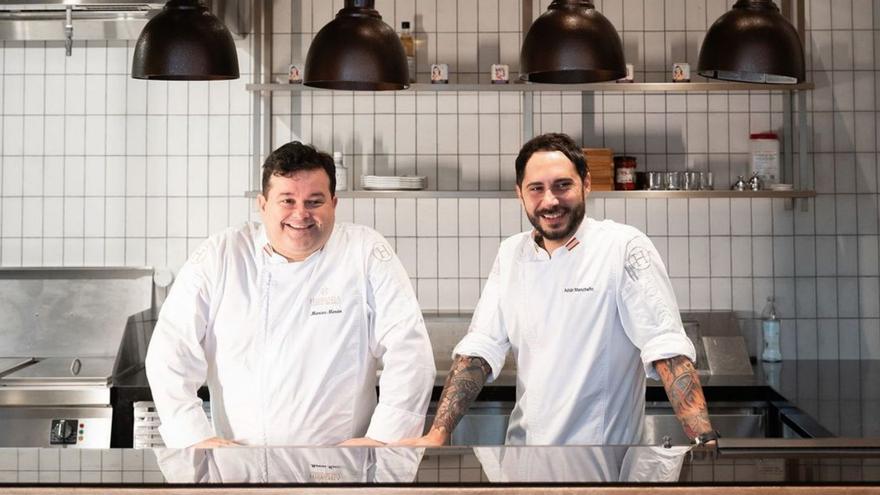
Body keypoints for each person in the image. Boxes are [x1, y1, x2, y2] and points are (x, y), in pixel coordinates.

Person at [399, 133, 716, 446]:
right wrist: (437, 435)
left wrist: (704, 439)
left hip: (602, 464)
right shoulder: (512, 253)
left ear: (586, 184)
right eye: (536, 188)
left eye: (563, 185)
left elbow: (667, 349)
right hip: (524, 460)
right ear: (519, 194)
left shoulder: (622, 247)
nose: (550, 200)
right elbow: (479, 350)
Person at [146, 141, 436, 448]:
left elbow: (411, 353)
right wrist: (195, 439)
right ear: (263, 205)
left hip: (342, 468)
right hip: (240, 467)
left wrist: (382, 440)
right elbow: (170, 353)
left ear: (334, 204)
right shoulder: (223, 254)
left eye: (314, 202)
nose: (301, 214)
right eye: (287, 201)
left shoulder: (364, 251)